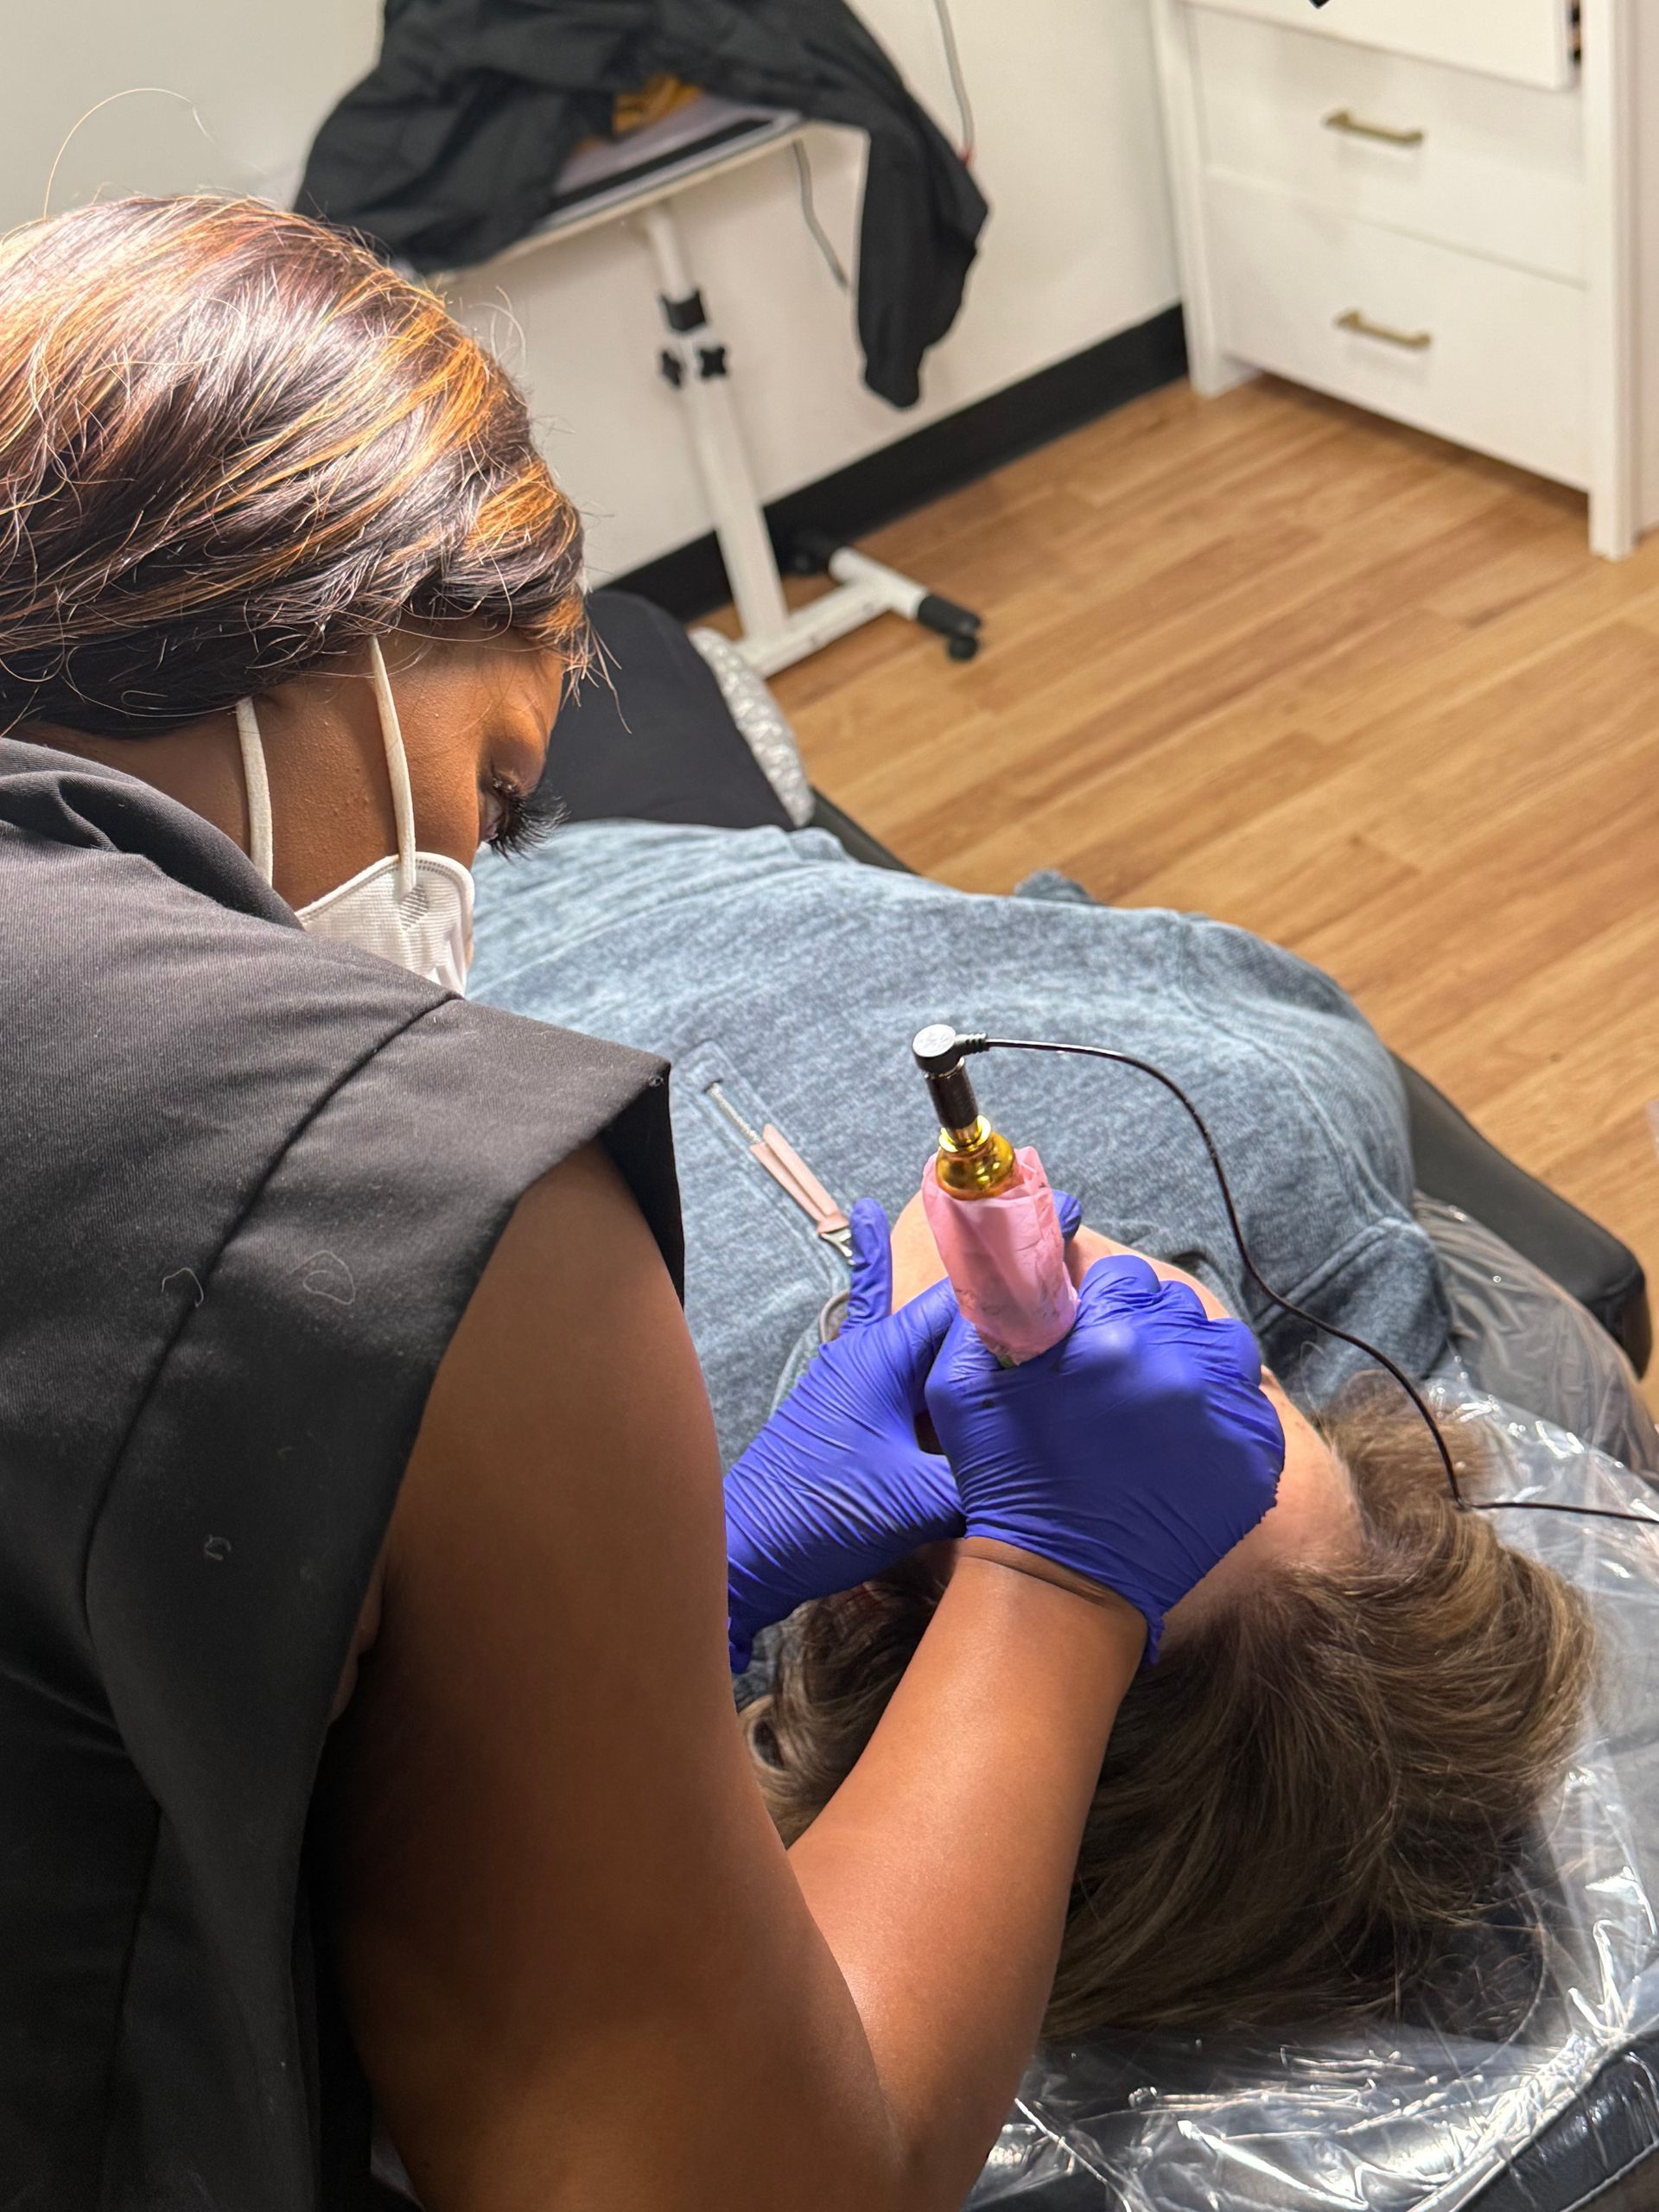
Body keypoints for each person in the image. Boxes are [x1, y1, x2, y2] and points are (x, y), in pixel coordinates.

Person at [0, 195, 1286, 2212]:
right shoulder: (392, 1188)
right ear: (329, 622)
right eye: (495, 793)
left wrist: (636, 1597)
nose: (469, 895)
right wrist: (1061, 1577)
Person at [466, 814, 1597, 2038]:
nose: (1110, 1289)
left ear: (869, 1602)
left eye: (1069, 1461)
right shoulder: (1278, 1128)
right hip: (623, 846)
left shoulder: (589, 1541)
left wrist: (690, 1597)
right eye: (1237, 1397)